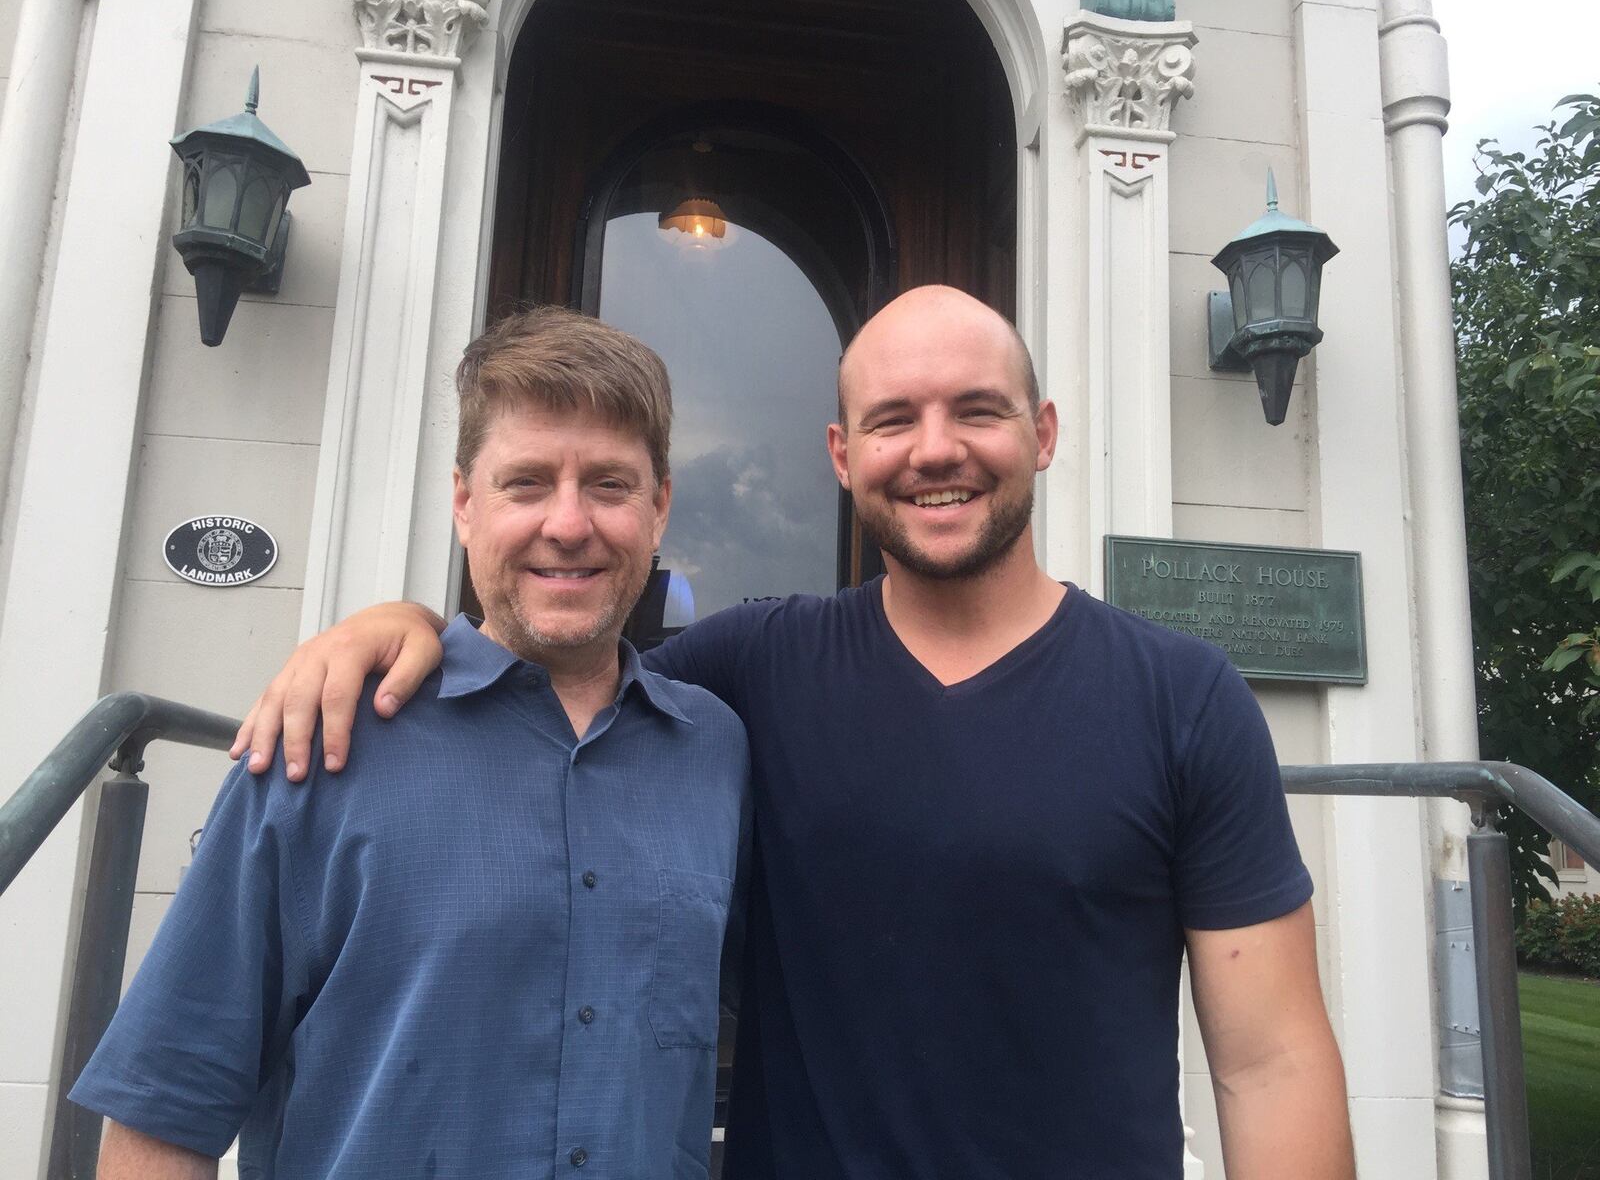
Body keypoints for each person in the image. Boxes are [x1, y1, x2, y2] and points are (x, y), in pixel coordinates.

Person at [236, 286, 1356, 1179]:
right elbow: (555, 679)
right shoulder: (750, 671)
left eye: (975, 409)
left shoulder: (1182, 697)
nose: (934, 450)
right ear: (838, 453)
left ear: (1042, 432)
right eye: (891, 421)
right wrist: (405, 622)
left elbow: (1269, 1062)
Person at [71, 309, 750, 1178]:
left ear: (659, 509)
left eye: (611, 486)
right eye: (528, 483)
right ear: (465, 503)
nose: (570, 523)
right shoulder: (322, 738)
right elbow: (163, 1113)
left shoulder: (714, 751)